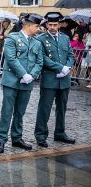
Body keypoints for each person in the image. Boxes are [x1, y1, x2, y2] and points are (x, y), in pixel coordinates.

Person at [0, 14, 43, 154]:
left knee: (20, 112)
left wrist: (31, 76)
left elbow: (39, 62)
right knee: (7, 111)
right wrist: (24, 74)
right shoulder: (12, 38)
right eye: (36, 26)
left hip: (27, 83)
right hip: (12, 81)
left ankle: (17, 138)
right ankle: (2, 140)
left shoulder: (37, 42)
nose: (38, 28)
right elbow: (10, 58)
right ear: (28, 25)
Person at [34, 12, 75, 148]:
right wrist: (59, 68)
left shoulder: (64, 38)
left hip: (64, 79)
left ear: (59, 25)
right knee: (44, 108)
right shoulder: (40, 39)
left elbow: (70, 54)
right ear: (46, 25)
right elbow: (43, 58)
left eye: (55, 25)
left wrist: (67, 67)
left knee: (62, 107)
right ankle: (40, 135)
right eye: (50, 25)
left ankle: (60, 133)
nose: (52, 27)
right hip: (49, 79)